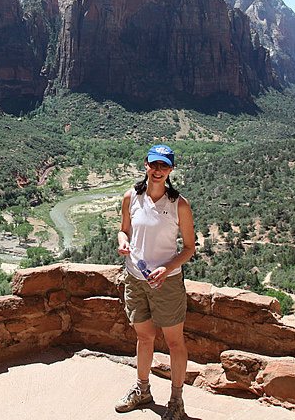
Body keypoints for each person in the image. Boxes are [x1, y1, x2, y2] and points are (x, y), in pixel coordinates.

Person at [115, 144, 196, 420]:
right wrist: (123, 242)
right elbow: (124, 231)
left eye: (164, 166)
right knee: (144, 336)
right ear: (146, 165)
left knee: (174, 342)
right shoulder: (131, 197)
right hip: (135, 279)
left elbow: (188, 248)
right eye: (154, 165)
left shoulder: (179, 205)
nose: (158, 170)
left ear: (171, 170)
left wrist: (166, 268)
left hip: (167, 283)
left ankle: (176, 401)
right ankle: (143, 390)